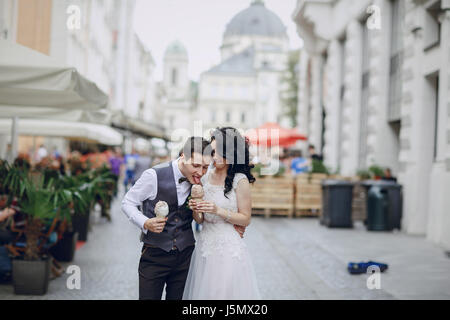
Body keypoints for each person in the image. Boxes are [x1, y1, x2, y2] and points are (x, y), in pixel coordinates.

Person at [121, 137, 245, 300]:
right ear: (182, 156)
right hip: (155, 254)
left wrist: (232, 223)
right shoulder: (154, 175)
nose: (200, 172)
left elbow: (220, 200)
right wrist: (145, 222)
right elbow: (128, 202)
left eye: (205, 167)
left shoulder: (202, 181)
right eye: (195, 165)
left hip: (186, 257)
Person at [182, 127, 261, 300]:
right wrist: (196, 208)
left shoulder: (240, 180)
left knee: (225, 293)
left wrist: (218, 210)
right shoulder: (204, 177)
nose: (214, 156)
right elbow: (200, 220)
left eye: (220, 152)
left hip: (228, 247)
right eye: (212, 151)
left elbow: (246, 219)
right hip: (205, 245)